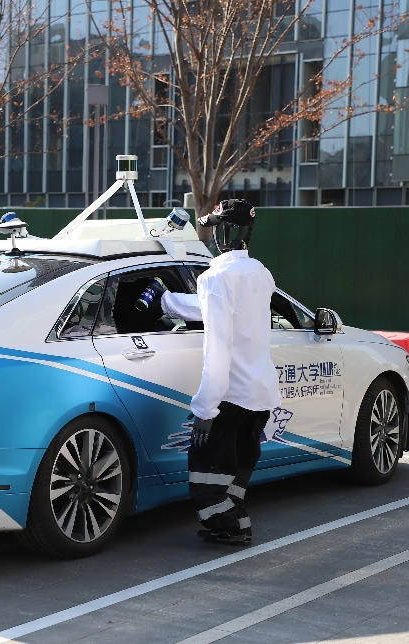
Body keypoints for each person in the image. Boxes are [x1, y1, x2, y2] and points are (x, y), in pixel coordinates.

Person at [143, 198, 279, 545]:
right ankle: (235, 524)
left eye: (214, 228)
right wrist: (167, 301)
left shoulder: (215, 277)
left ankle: (232, 528)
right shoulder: (261, 274)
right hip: (260, 394)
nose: (212, 235)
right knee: (236, 470)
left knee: (209, 474)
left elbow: (217, 347)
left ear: (224, 232)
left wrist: (205, 408)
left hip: (229, 397)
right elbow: (225, 311)